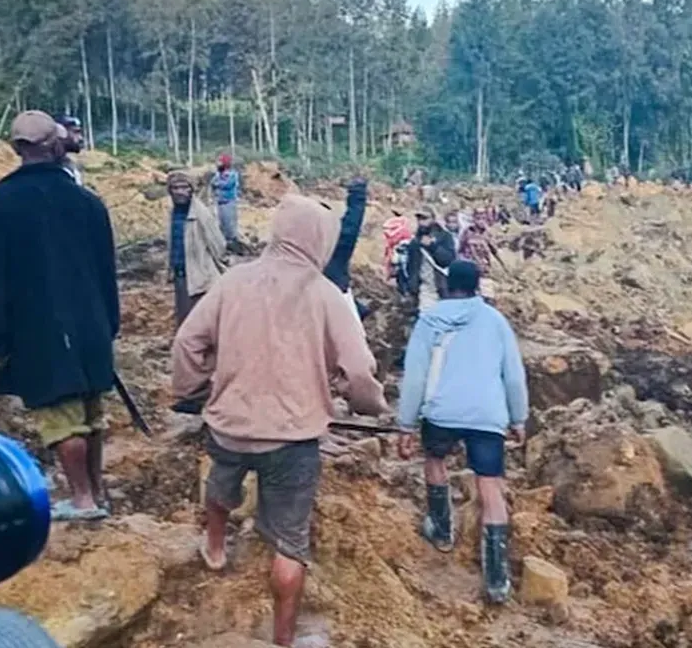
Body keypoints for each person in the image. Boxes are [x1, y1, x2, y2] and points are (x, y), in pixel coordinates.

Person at [172, 193, 387, 648]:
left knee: (221, 488)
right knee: (292, 542)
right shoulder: (327, 295)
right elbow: (359, 370)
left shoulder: (233, 281)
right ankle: (283, 639)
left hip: (229, 426)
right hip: (292, 441)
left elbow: (187, 342)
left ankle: (214, 548)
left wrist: (193, 390)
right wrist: (371, 406)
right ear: (320, 242)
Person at [0, 110, 120, 522]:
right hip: (90, 323)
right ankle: (96, 491)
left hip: (37, 329)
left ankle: (83, 499)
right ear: (56, 145)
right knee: (91, 413)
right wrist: (109, 323)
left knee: (60, 416)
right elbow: (107, 271)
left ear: (18, 148)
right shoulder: (88, 203)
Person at [398, 260, 528, 604]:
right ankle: (497, 578)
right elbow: (513, 375)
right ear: (477, 286)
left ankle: (441, 529)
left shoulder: (430, 319)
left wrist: (406, 425)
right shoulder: (496, 321)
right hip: (487, 414)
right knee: (490, 486)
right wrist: (518, 418)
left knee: (435, 460)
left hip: (442, 411)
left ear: (446, 284)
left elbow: (415, 375)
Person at [167, 171, 228, 327]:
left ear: (191, 190)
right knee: (185, 321)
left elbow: (219, 245)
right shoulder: (172, 213)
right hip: (181, 275)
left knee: (201, 323)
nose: (180, 192)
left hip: (200, 278)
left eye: (184, 187)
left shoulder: (201, 214)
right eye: (175, 188)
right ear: (170, 191)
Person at [323, 177, 368, 327]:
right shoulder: (335, 245)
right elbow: (351, 225)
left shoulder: (296, 249)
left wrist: (357, 195)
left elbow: (351, 225)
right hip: (335, 303)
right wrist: (358, 195)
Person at [406, 207, 457, 313]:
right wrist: (412, 288)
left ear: (433, 219)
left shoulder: (444, 237)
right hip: (425, 290)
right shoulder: (415, 242)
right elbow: (411, 267)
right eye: (419, 219)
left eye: (425, 218)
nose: (421, 222)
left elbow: (448, 260)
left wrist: (432, 246)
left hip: (443, 288)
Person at [211, 153, 241, 247]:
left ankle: (232, 242)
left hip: (229, 202)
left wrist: (218, 184)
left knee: (230, 223)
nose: (218, 164)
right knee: (221, 223)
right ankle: (223, 242)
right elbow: (213, 183)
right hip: (219, 202)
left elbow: (227, 184)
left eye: (220, 162)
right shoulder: (218, 174)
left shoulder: (233, 174)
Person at [58, 116, 86, 186]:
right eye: (75, 132)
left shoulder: (67, 164)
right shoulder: (50, 168)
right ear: (61, 133)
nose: (80, 138)